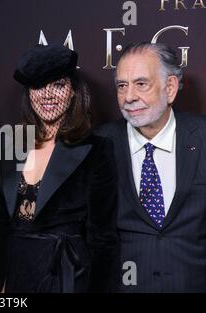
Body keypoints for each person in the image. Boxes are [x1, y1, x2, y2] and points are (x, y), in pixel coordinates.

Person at [0, 44, 118, 293]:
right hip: (19, 276)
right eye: (38, 86)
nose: (47, 95)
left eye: (58, 85)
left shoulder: (96, 149)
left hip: (68, 278)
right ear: (29, 93)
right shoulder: (11, 147)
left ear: (73, 91)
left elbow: (102, 239)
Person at [97, 42, 206, 292]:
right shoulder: (99, 145)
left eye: (141, 84)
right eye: (122, 86)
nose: (129, 97)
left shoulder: (203, 137)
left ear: (170, 88)